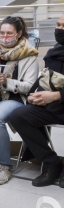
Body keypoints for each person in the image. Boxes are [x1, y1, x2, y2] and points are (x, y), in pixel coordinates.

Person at [9, 14, 64, 187]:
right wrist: (37, 95)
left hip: (58, 102)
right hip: (53, 107)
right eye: (58, 24)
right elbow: (48, 79)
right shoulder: (55, 51)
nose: (60, 29)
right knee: (18, 115)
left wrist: (56, 96)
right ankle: (52, 162)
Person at [0, 16, 39, 185]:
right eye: (2, 33)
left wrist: (6, 82)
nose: (5, 37)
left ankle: (4, 166)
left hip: (16, 99)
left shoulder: (29, 54)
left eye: (9, 33)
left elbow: (30, 86)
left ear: (19, 34)